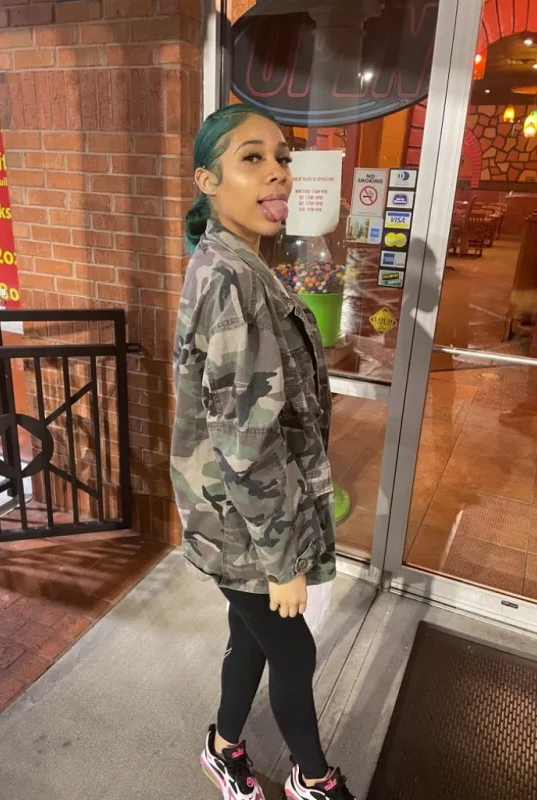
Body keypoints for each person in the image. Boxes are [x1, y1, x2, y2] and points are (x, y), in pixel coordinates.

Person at [171, 103, 355, 800]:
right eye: (252, 158)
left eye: (282, 156)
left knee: (252, 635)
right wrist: (283, 563)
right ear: (208, 180)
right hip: (241, 524)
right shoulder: (230, 281)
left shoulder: (244, 264)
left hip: (238, 517)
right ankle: (313, 780)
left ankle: (222, 748)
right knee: (293, 649)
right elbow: (244, 445)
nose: (277, 171)